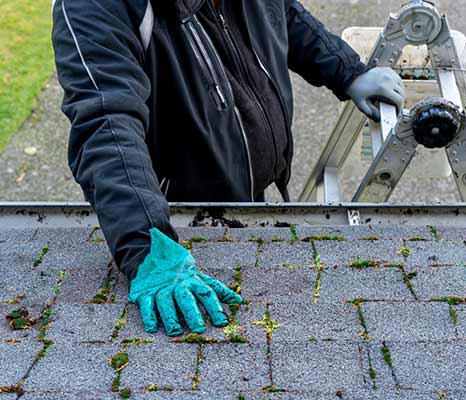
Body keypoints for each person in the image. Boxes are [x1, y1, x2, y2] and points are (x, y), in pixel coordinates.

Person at [52, 0, 405, 336]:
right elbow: (106, 122)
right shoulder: (92, 7)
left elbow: (283, 14)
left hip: (247, 198)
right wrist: (146, 243)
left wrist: (346, 71)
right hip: (176, 224)